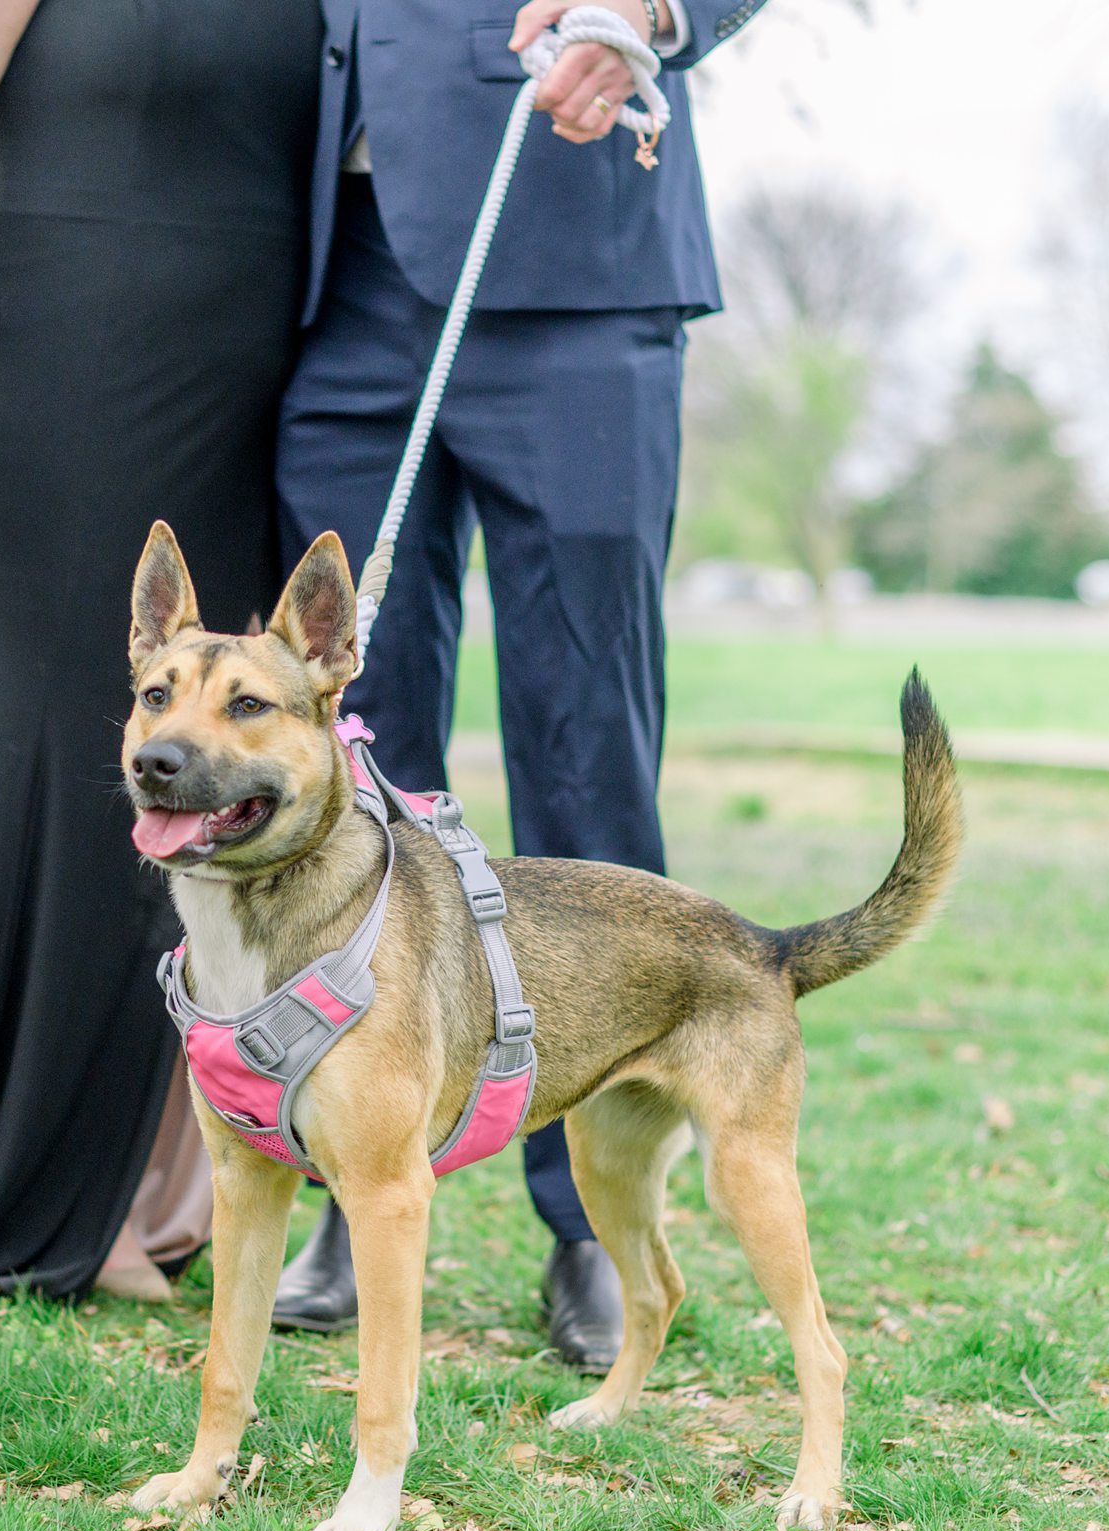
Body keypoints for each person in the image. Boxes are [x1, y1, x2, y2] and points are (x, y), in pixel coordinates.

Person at [0, 0, 322, 1307]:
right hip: (63, 350)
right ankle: (15, 1195)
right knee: (47, 764)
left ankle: (156, 1195)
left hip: (268, 372)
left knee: (215, 775)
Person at [271, 0, 765, 1368]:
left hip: (572, 263)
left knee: (585, 748)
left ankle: (594, 1224)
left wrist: (658, 8)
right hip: (336, 282)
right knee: (349, 772)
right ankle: (343, 1175)